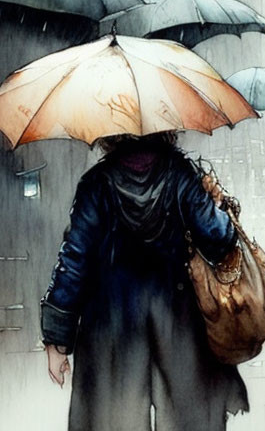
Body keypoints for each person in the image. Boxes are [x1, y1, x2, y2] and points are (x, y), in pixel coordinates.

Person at [40, 132, 248, 431]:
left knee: (112, 421)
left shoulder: (96, 184)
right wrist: (218, 206)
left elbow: (73, 261)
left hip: (111, 330)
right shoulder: (182, 175)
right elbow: (219, 240)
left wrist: (57, 342)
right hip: (178, 324)